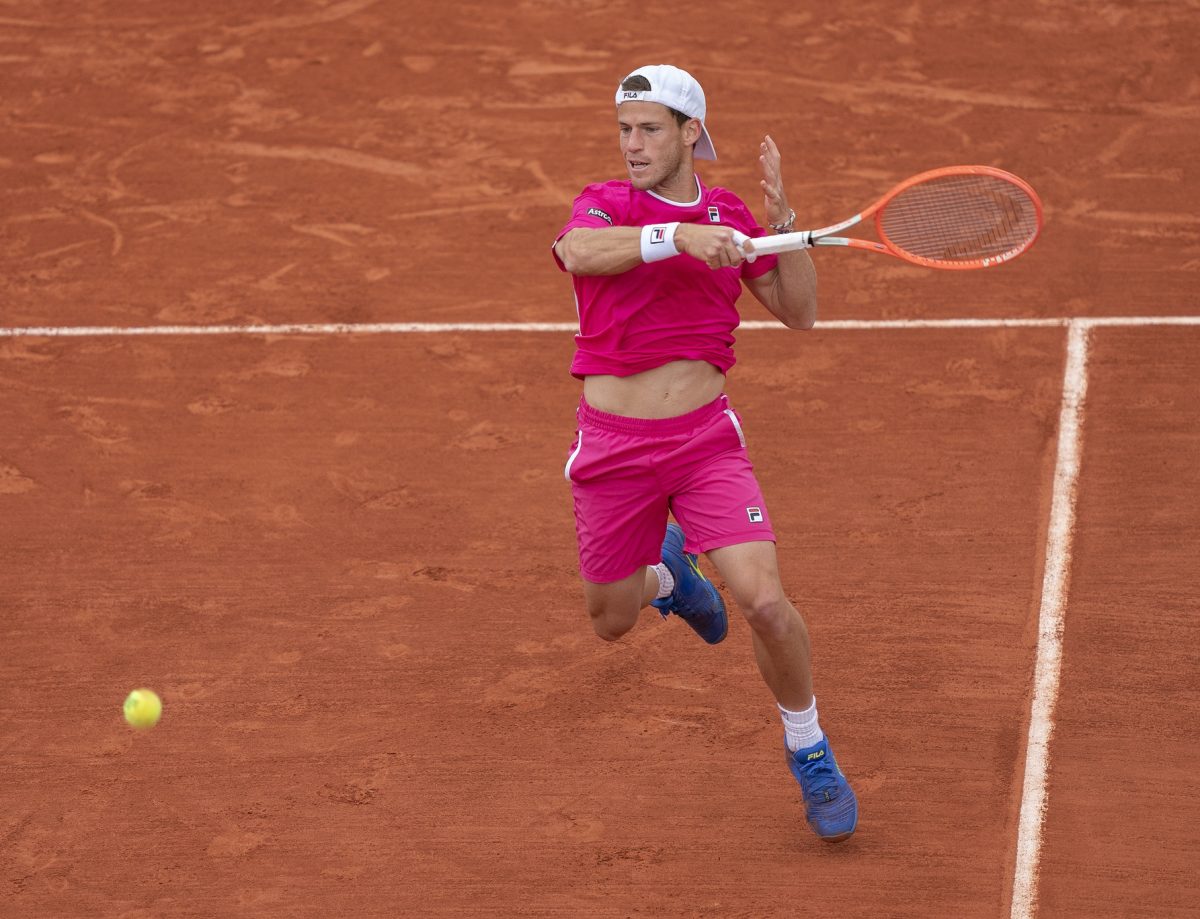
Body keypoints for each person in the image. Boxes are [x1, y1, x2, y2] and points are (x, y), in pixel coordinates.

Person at [551, 64, 857, 843]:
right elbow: (581, 253)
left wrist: (785, 226)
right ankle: (670, 574)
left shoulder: (728, 214)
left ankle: (808, 744)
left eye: (649, 128)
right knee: (611, 620)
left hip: (703, 441)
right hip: (614, 447)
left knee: (763, 602)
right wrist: (676, 236)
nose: (632, 145)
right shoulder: (609, 204)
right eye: (624, 130)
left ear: (692, 133)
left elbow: (801, 312)